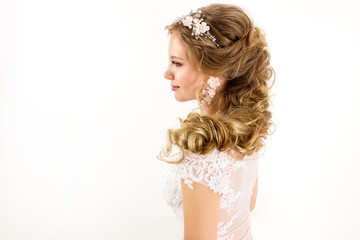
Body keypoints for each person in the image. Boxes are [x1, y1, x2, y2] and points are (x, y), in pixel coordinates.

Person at [158, 3, 274, 240]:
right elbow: (246, 204)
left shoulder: (203, 152)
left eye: (177, 63)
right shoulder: (242, 129)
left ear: (213, 70)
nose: (166, 73)